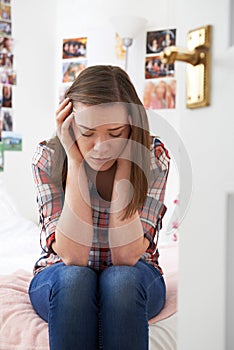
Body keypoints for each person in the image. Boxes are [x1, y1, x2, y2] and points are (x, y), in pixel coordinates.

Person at [29, 65, 170, 350]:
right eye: (87, 132)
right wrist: (76, 161)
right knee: (74, 280)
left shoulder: (153, 157)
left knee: (121, 281)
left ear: (132, 125)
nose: (100, 146)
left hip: (135, 275)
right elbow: (73, 256)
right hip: (60, 275)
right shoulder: (47, 157)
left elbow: (127, 255)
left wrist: (127, 162)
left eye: (115, 132)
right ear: (68, 124)